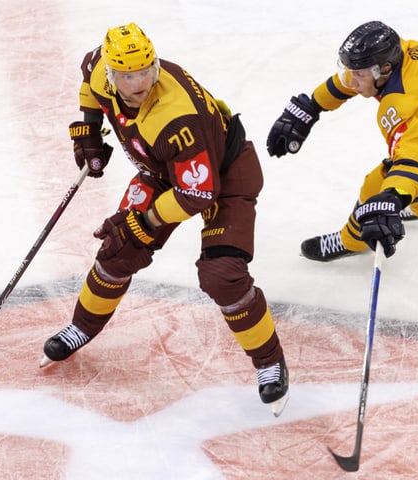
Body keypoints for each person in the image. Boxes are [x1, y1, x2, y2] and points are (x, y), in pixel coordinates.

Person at [41, 23, 289, 416]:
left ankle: (270, 362)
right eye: (126, 75)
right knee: (118, 250)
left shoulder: (175, 117)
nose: (138, 82)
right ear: (111, 72)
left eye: (145, 71)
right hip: (164, 174)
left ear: (154, 63)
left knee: (222, 275)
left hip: (225, 176)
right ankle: (82, 328)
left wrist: (146, 221)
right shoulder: (99, 69)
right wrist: (88, 129)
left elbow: (197, 193)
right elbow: (88, 81)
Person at [266, 20, 418, 261]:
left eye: (359, 74)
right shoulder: (403, 50)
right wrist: (314, 104)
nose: (351, 81)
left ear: (385, 70)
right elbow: (354, 78)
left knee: (378, 184)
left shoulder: (404, 104)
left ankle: (352, 240)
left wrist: (393, 196)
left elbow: (415, 161)